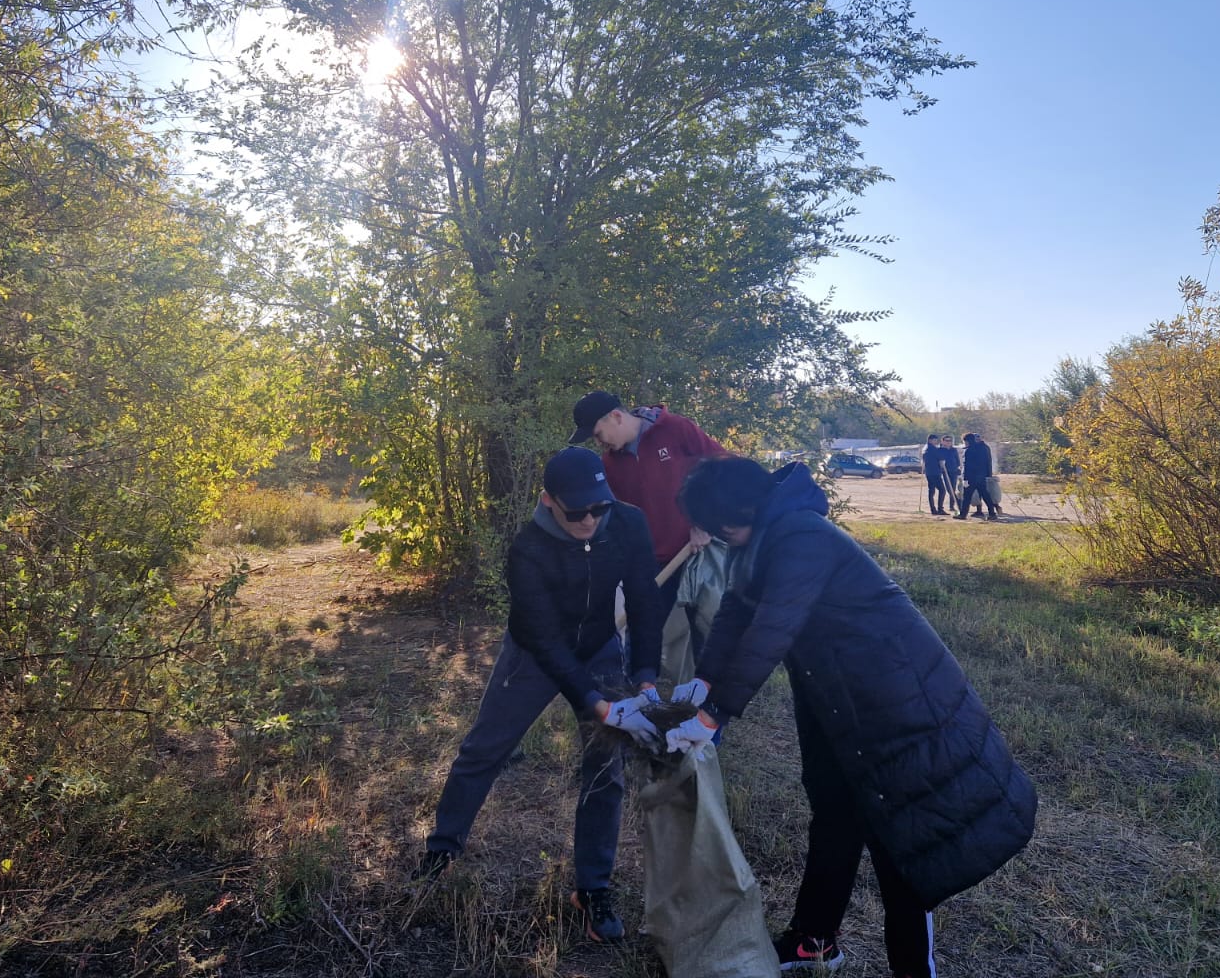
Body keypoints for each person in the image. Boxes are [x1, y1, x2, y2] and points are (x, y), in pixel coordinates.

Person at [666, 456, 1037, 978]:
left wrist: (715, 714)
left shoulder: (802, 536)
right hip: (832, 693)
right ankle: (815, 941)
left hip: (892, 698)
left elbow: (774, 627)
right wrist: (705, 679)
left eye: (720, 528)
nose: (720, 538)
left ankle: (914, 969)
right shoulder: (761, 536)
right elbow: (737, 608)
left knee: (900, 839)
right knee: (834, 812)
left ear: (738, 514)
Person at [413, 447, 666, 945]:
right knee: (484, 749)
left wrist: (645, 677)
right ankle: (441, 851)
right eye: (577, 512)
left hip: (599, 649)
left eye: (599, 507)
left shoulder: (627, 523)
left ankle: (592, 888)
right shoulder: (528, 548)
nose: (590, 520)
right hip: (533, 654)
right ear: (549, 500)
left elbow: (644, 600)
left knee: (606, 770)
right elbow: (544, 639)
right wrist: (595, 703)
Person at [568, 390, 733, 683]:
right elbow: (614, 517)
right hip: (653, 560)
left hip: (698, 550)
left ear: (616, 417)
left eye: (597, 434)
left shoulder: (676, 429)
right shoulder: (610, 465)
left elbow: (727, 468)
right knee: (643, 628)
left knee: (707, 625)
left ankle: (708, 700)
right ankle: (639, 693)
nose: (599, 442)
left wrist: (706, 520)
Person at [957, 432, 1000, 521]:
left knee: (967, 497)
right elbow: (986, 462)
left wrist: (965, 479)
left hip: (971, 477)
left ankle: (963, 514)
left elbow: (967, 466)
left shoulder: (968, 451)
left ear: (967, 441)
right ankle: (992, 513)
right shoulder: (982, 449)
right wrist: (987, 474)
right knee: (985, 495)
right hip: (981, 476)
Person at [921, 434, 950, 516]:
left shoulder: (925, 448)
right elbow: (940, 457)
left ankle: (933, 509)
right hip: (934, 473)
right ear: (930, 440)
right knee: (942, 490)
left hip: (929, 472)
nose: (936, 442)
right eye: (935, 440)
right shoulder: (932, 449)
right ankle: (939, 509)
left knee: (932, 491)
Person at [939, 433, 961, 514]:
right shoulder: (940, 450)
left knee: (953, 488)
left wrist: (958, 468)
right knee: (949, 489)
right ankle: (959, 503)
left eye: (950, 440)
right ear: (943, 441)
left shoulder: (954, 450)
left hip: (954, 471)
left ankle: (952, 506)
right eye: (947, 440)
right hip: (946, 472)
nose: (948, 442)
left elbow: (957, 460)